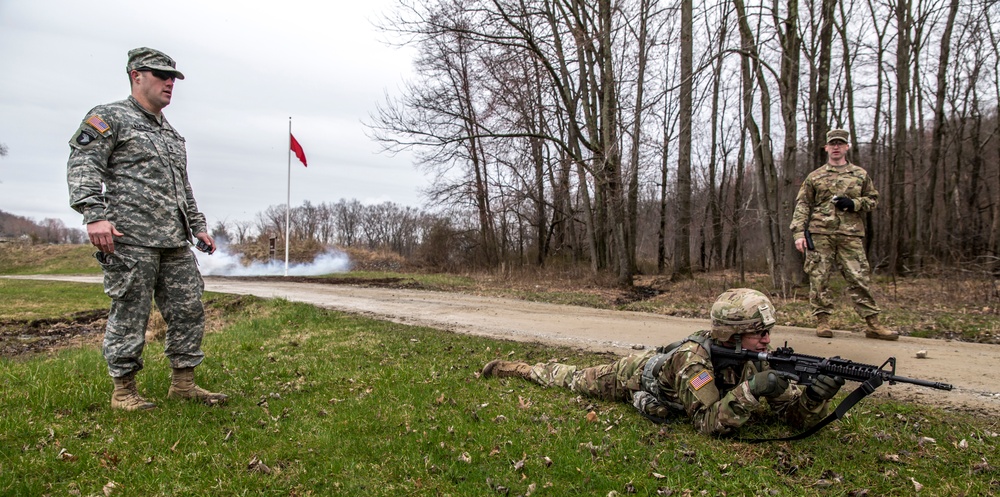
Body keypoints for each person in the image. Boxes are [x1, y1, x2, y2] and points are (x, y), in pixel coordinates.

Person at [67, 47, 227, 411]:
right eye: (161, 75)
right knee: (130, 314)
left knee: (189, 310)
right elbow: (83, 163)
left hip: (174, 240)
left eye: (173, 77)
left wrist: (198, 226)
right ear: (136, 75)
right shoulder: (110, 117)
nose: (170, 82)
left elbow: (181, 186)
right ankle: (124, 392)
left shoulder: (171, 134)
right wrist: (93, 214)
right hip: (130, 239)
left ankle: (183, 385)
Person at [481, 289, 844, 437]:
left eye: (769, 331)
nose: (767, 339)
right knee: (572, 378)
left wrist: (814, 397)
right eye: (758, 332)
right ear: (732, 335)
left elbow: (792, 418)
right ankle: (519, 369)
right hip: (634, 375)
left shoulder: (758, 359)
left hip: (668, 388)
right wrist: (750, 392)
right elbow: (705, 423)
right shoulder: (693, 360)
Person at [789, 129, 898, 340]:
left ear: (847, 147)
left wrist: (855, 203)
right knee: (819, 277)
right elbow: (802, 205)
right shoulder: (815, 176)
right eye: (833, 144)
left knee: (859, 277)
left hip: (850, 234)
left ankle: (873, 324)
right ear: (826, 148)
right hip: (820, 234)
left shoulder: (859, 175)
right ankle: (822, 321)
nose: (836, 147)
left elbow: (873, 199)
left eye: (840, 143)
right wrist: (799, 234)